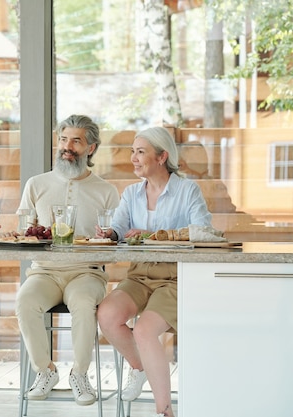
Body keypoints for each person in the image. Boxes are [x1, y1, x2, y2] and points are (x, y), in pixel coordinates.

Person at [95, 126, 212, 417]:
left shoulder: (187, 190)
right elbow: (120, 229)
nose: (133, 158)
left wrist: (154, 234)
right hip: (139, 274)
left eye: (140, 152)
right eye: (133, 151)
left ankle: (165, 411)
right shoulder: (132, 193)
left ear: (161, 157)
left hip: (174, 275)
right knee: (107, 315)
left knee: (145, 330)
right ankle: (139, 366)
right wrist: (109, 233)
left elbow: (204, 231)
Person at [15, 114, 120, 406]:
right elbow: (24, 229)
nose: (67, 146)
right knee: (25, 302)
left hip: (87, 273)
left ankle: (79, 374)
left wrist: (109, 236)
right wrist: (30, 235)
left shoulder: (106, 191)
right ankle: (45, 371)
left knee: (85, 305)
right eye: (63, 139)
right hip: (44, 273)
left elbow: (116, 241)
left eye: (76, 141)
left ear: (92, 148)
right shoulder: (36, 184)